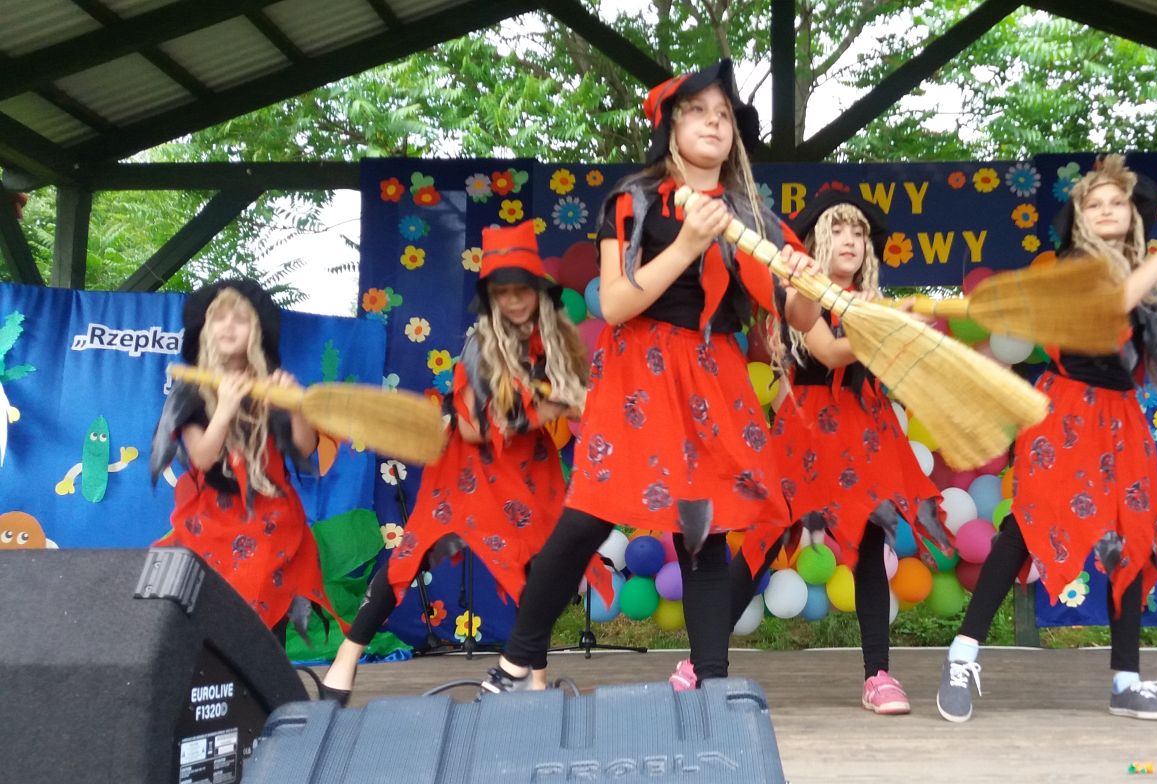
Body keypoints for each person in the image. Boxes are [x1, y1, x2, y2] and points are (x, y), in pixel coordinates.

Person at [480, 59, 821, 694]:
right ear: (670, 127)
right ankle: (515, 663)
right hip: (641, 371)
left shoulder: (752, 216)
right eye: (698, 111)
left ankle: (713, 687)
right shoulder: (633, 199)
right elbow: (613, 304)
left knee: (704, 532)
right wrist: (689, 243)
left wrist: (807, 285)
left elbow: (796, 314)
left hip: (712, 375)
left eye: (724, 115)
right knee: (588, 517)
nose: (714, 122)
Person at [936, 155, 1157, 723]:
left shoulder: (1151, 282)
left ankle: (1125, 679)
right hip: (1066, 412)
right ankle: (961, 657)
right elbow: (1114, 302)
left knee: (1133, 539)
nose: (1107, 210)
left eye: (1117, 202)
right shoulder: (1076, 269)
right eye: (1094, 204)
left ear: (1132, 216)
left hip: (1122, 422)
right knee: (1027, 528)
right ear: (1080, 219)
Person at [318, 222, 592, 705]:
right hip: (467, 472)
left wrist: (566, 401)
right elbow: (472, 429)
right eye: (502, 291)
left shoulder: (557, 342)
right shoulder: (480, 347)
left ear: (538, 291)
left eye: (521, 289)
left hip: (526, 470)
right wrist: (546, 407)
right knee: (409, 557)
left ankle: (535, 677)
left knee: (538, 564)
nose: (513, 300)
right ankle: (346, 659)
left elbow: (576, 400)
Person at [728, 185, 952, 711]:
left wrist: (900, 331)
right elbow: (828, 353)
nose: (849, 239)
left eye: (858, 231)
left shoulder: (873, 304)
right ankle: (701, 661)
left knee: (870, 543)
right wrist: (891, 329)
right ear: (814, 242)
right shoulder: (796, 293)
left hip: (864, 433)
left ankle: (879, 677)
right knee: (762, 543)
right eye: (837, 228)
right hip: (804, 433)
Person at [150, 279, 340, 641]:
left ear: (256, 331)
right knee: (209, 623)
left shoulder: (271, 384)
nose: (228, 326)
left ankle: (264, 673)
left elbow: (304, 448)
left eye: (240, 319)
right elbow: (202, 457)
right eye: (219, 318)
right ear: (206, 329)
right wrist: (224, 408)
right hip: (211, 524)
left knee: (263, 629)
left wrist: (295, 405)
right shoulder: (191, 388)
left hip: (269, 523)